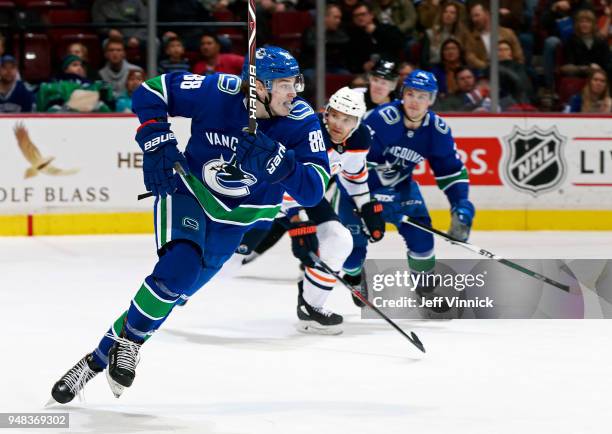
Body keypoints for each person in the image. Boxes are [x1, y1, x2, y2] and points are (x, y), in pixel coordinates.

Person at [50, 46, 330, 403]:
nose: (295, 92)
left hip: (236, 222)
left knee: (168, 295)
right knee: (177, 271)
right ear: (258, 86)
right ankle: (131, 344)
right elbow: (151, 91)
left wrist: (282, 164)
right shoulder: (218, 91)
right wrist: (157, 143)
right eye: (285, 84)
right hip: (188, 192)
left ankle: (93, 361)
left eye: (296, 83)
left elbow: (314, 190)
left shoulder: (301, 121)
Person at [231, 87, 386, 333]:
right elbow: (278, 176)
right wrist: (296, 218)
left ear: (357, 122)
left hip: (306, 196)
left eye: (347, 119)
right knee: (230, 258)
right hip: (264, 196)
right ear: (326, 112)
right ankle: (178, 287)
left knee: (339, 239)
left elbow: (353, 176)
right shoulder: (306, 130)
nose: (338, 123)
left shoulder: (359, 138)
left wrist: (366, 206)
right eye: (334, 115)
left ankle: (311, 308)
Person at [337, 70, 475, 295]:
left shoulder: (437, 130)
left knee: (422, 241)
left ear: (431, 100)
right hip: (358, 191)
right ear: (402, 94)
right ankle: (354, 276)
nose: (415, 101)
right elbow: (355, 165)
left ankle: (426, 291)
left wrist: (461, 205)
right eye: (411, 94)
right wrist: (374, 200)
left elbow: (451, 172)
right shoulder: (381, 119)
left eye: (422, 96)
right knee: (351, 257)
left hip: (401, 189)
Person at [37, 55, 115, 112]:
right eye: (75, 65)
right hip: (65, 116)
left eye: (81, 65)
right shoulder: (57, 85)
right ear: (65, 70)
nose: (79, 68)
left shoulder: (93, 84)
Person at [464, 2, 524, 72]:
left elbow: (519, 57)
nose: (474, 19)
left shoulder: (508, 33)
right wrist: (488, 68)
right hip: (486, 73)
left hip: (509, 71)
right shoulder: (471, 38)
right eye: (472, 17)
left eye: (477, 15)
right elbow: (470, 58)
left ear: (487, 14)